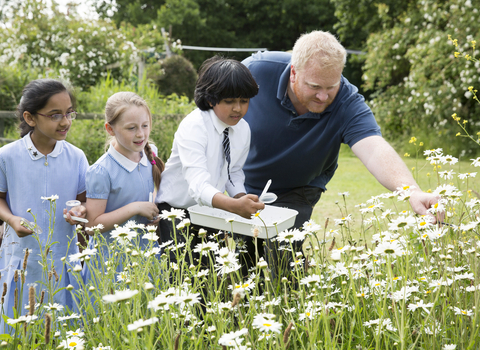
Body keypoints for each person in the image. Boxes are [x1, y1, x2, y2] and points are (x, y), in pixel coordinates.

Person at [241, 30, 439, 257]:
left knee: (282, 254)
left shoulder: (347, 102)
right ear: (294, 73)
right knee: (244, 257)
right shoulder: (255, 71)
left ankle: (290, 290)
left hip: (299, 186)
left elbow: (374, 148)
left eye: (331, 86)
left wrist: (411, 192)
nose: (324, 97)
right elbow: (214, 112)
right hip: (244, 183)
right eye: (315, 86)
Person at [155, 56, 264, 261]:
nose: (238, 109)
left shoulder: (242, 129)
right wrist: (233, 206)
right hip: (175, 212)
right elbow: (197, 184)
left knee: (216, 275)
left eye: (244, 101)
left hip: (210, 208)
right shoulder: (195, 125)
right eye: (229, 101)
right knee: (183, 276)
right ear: (211, 99)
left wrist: (241, 197)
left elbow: (233, 171)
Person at [0, 79, 89, 331]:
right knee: (17, 329)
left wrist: (80, 211)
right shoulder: (7, 156)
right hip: (20, 258)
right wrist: (11, 219)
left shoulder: (77, 157)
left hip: (64, 259)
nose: (65, 122)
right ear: (30, 118)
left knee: (64, 331)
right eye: (55, 115)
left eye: (69, 113)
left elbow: (84, 203)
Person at [83, 92, 164, 283]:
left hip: (145, 254)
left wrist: (152, 213)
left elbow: (149, 191)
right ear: (110, 129)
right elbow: (92, 225)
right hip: (111, 260)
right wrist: (135, 208)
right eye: (131, 128)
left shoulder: (149, 155)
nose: (141, 134)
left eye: (145, 125)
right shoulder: (101, 171)